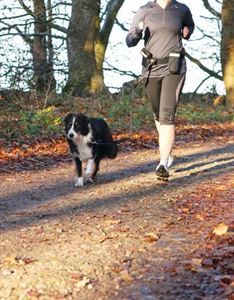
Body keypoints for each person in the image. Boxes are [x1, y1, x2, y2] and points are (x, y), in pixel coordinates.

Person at [126, 0, 195, 180]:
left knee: (167, 115)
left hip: (175, 68)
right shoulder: (144, 10)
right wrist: (138, 31)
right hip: (151, 69)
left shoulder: (182, 9)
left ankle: (163, 163)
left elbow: (190, 26)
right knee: (158, 114)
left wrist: (187, 32)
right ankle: (167, 150)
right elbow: (129, 41)